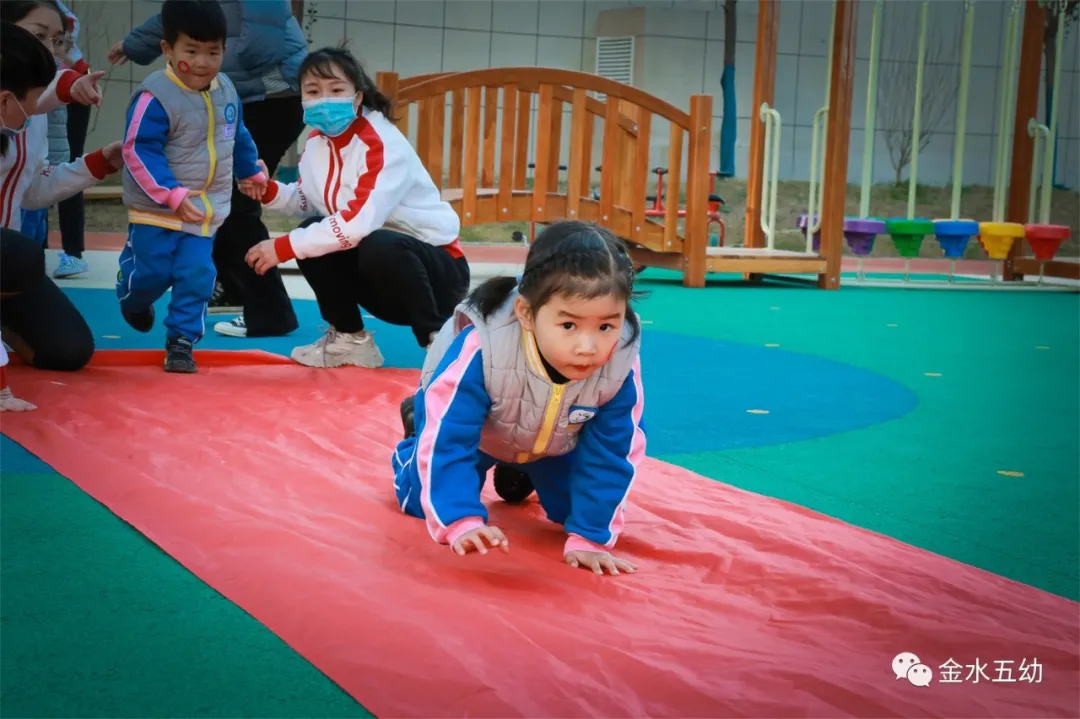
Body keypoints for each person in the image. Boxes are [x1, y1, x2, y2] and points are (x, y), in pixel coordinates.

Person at [389, 220, 647, 576]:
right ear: (526, 313)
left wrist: (590, 538)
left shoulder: (620, 363)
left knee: (570, 510)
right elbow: (451, 439)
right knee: (422, 499)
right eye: (569, 325)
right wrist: (461, 522)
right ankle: (413, 439)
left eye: (606, 326)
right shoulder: (485, 347)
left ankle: (521, 466)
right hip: (480, 436)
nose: (588, 347)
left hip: (556, 442)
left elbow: (613, 454)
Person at [241, 47, 469, 369]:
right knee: (310, 232)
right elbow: (310, 201)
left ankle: (439, 341)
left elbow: (357, 224)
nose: (324, 100)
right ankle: (351, 340)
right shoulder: (318, 142)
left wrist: (282, 247)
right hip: (381, 276)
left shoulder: (381, 142)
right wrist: (269, 191)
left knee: (377, 242)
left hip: (437, 275)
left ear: (357, 97)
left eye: (336, 90)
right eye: (313, 91)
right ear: (302, 99)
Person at [108, 0, 306, 338]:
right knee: (221, 198)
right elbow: (179, 17)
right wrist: (134, 44)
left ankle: (269, 311)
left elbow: (263, 40)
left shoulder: (222, 72)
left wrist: (211, 63)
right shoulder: (161, 89)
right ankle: (231, 286)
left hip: (271, 95)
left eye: (211, 49)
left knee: (237, 204)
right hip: (237, 91)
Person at [117, 0, 266, 374]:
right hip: (157, 210)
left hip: (204, 209)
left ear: (224, 50)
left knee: (197, 275)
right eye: (191, 51)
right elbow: (138, 149)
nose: (202, 62)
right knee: (151, 274)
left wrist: (251, 172)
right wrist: (171, 193)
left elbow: (237, 135)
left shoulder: (227, 89)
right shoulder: (155, 95)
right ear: (168, 49)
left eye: (212, 51)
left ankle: (181, 341)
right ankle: (132, 297)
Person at [1, 20, 122, 409]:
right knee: (20, 254)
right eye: (39, 37)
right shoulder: (18, 104)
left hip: (7, 268)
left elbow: (31, 190)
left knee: (68, 350)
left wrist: (97, 164)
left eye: (57, 40)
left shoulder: (22, 119)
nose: (51, 51)